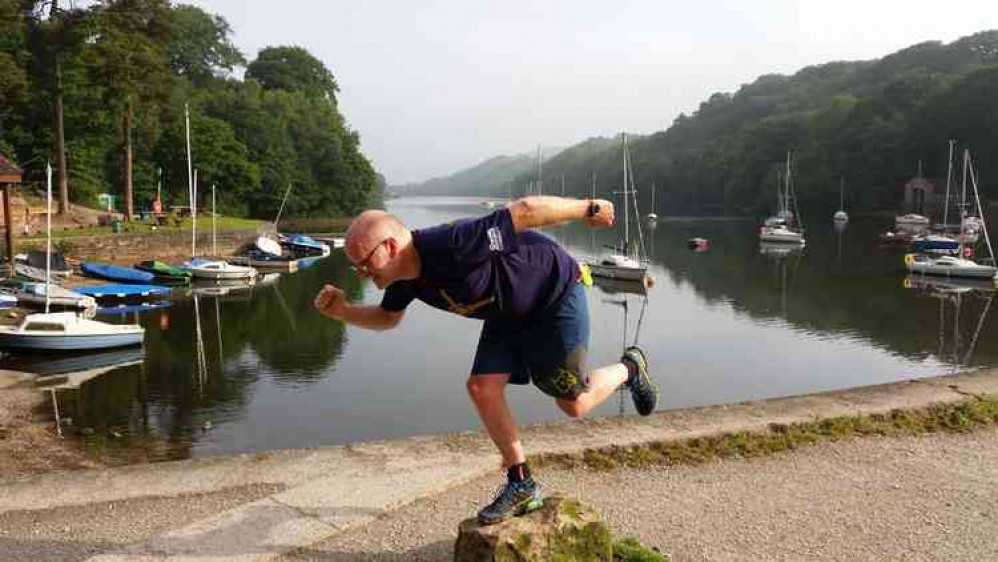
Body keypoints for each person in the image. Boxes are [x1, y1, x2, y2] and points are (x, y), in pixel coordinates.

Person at [313, 196, 658, 524]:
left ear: (389, 247)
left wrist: (589, 208)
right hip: (506, 311)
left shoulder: (455, 243)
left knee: (574, 404)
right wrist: (343, 311)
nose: (361, 272)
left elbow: (523, 211)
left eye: (363, 263)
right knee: (481, 387)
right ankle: (521, 482)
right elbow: (388, 319)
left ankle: (630, 367)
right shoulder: (404, 278)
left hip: (554, 293)